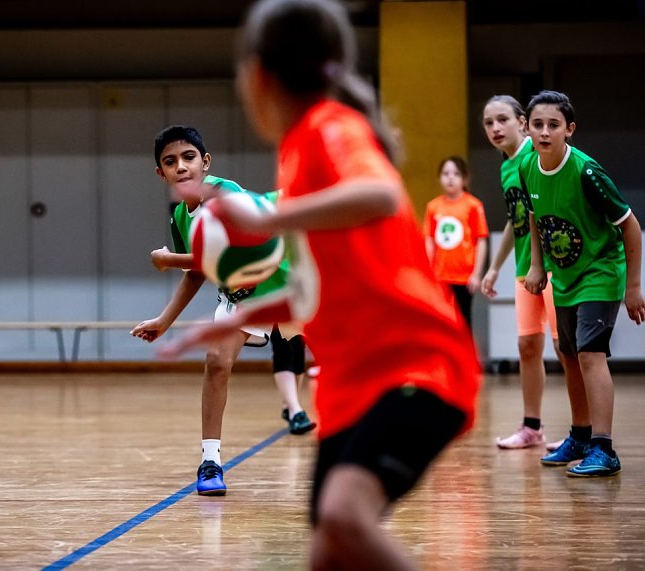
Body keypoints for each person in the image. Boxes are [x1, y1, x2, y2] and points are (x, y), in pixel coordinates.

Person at [158, 0, 481, 568]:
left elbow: (380, 195)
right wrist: (238, 318)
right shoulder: (297, 153)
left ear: (256, 77)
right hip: (353, 387)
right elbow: (313, 283)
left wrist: (265, 219)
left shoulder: (329, 128)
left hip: (414, 367)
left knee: (342, 518)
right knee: (329, 549)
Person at [131, 125, 315, 497]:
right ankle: (210, 461)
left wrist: (167, 260)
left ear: (205, 161)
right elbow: (199, 271)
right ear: (160, 173)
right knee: (216, 362)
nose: (181, 167)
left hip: (284, 284)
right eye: (170, 162)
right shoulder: (181, 217)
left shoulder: (226, 194)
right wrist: (164, 321)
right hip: (242, 297)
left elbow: (225, 256)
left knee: (335, 359)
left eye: (188, 157)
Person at [522, 90, 644, 477]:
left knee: (591, 355)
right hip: (566, 277)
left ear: (569, 130)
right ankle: (579, 434)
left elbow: (631, 226)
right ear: (528, 128)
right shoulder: (528, 166)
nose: (544, 132)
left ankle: (604, 448)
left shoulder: (587, 172)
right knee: (570, 357)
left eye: (553, 125)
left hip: (601, 271)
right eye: (537, 124)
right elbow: (534, 218)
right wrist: (538, 266)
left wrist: (634, 287)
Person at [479, 95, 564, 451]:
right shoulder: (506, 166)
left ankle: (585, 432)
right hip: (523, 268)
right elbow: (516, 220)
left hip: (555, 267)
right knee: (528, 346)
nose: (496, 128)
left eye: (503, 120)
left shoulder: (538, 156)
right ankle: (532, 427)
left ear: (522, 122)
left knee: (567, 349)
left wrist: (540, 264)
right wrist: (494, 267)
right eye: (488, 123)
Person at [424, 156, 489, 328]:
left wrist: (476, 273)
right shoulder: (433, 207)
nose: (450, 178)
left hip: (464, 277)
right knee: (440, 319)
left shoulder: (473, 205)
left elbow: (481, 240)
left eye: (456, 174)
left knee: (464, 320)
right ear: (440, 178)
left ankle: (465, 354)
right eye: (446, 173)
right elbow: (429, 240)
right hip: (440, 275)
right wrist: (428, 271)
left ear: (465, 178)